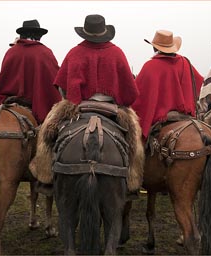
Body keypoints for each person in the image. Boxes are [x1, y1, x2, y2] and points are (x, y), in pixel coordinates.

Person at [30, 14, 144, 195]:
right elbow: (130, 93)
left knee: (47, 129)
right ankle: (132, 180)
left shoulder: (74, 52)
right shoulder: (117, 53)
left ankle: (46, 176)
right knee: (135, 137)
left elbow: (63, 88)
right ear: (104, 31)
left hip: (78, 105)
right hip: (112, 107)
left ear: (85, 32)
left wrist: (74, 97)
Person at [131, 29, 204, 140]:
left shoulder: (150, 66)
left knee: (137, 144)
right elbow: (199, 83)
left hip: (162, 118)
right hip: (186, 116)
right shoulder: (185, 62)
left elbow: (137, 96)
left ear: (154, 47)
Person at [0, 19, 61, 123]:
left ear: (22, 34)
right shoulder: (45, 53)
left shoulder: (11, 52)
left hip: (8, 102)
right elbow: (54, 82)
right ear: (39, 35)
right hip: (36, 105)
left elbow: (3, 80)